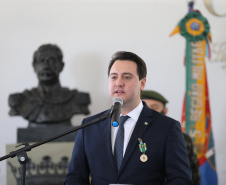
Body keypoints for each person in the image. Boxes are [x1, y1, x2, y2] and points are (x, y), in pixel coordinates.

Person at [65, 51, 193, 185]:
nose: (118, 83)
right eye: (113, 77)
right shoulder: (89, 126)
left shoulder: (167, 128)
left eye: (126, 77)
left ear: (142, 83)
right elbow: (75, 178)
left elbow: (181, 179)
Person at [8, 44, 90, 127]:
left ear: (61, 66)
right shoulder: (19, 101)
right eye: (41, 61)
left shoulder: (78, 99)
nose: (46, 66)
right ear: (34, 66)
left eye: (51, 61)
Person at [141, 90, 200, 185]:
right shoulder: (128, 136)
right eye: (145, 107)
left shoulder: (183, 139)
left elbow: (192, 176)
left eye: (154, 107)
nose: (149, 111)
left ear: (165, 111)